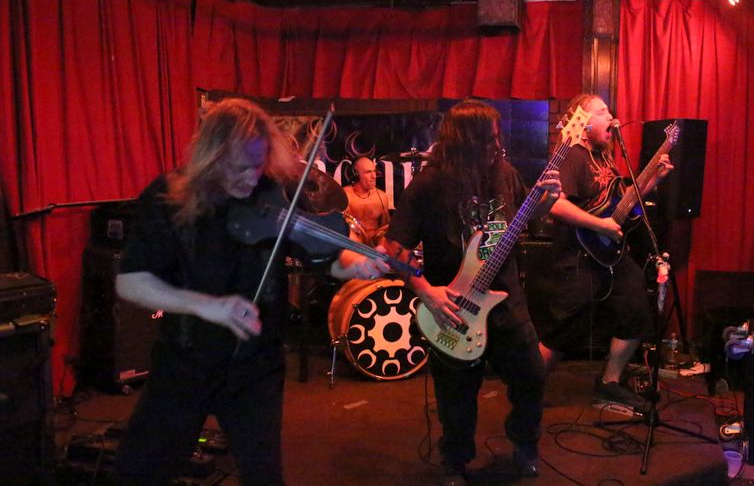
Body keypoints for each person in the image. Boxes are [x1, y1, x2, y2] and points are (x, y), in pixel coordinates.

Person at [113, 98, 387, 485]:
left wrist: (357, 265)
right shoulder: (169, 197)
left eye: (258, 165)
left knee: (264, 477)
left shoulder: (274, 191)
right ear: (212, 156)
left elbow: (325, 258)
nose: (251, 176)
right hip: (185, 360)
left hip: (256, 368)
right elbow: (130, 281)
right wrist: (207, 306)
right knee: (140, 472)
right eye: (241, 167)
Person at [384, 99, 561, 486]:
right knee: (456, 394)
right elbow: (394, 249)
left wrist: (546, 200)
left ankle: (525, 446)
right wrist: (426, 291)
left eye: (497, 139)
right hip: (452, 307)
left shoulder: (505, 174)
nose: (495, 147)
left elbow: (523, 217)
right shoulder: (429, 185)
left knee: (531, 375)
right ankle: (454, 461)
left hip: (507, 301)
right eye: (486, 140)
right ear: (463, 141)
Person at [542, 93, 673, 411]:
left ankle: (609, 383)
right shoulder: (572, 155)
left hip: (610, 254)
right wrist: (599, 226)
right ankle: (526, 382)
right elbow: (555, 205)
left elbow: (624, 204)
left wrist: (653, 179)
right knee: (562, 331)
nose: (612, 118)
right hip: (579, 254)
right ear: (584, 123)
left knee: (636, 309)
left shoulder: (605, 158)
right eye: (602, 112)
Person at [343, 156, 391, 243]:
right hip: (354, 244)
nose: (374, 176)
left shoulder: (382, 196)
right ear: (356, 175)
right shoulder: (346, 196)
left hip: (375, 244)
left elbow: (385, 228)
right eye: (368, 172)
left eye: (374, 171)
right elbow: (343, 227)